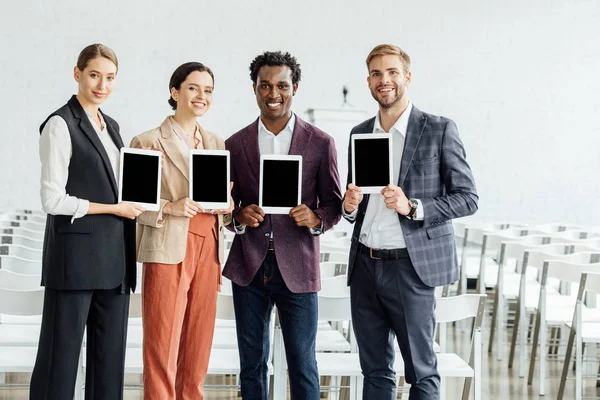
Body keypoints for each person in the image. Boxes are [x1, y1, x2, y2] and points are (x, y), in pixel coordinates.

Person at [342, 44, 478, 400]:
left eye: (391, 72)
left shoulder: (438, 129)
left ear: (407, 77)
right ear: (368, 81)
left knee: (421, 371)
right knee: (374, 372)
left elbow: (468, 198)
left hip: (411, 268)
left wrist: (412, 206)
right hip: (365, 265)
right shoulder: (360, 132)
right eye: (376, 74)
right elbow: (355, 206)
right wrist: (349, 205)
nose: (383, 80)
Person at [224, 51, 343, 400]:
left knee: (303, 364)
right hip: (249, 268)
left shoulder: (320, 143)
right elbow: (226, 207)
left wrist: (317, 218)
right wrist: (239, 218)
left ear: (295, 87)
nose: (273, 93)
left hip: (299, 267)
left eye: (281, 85)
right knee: (251, 365)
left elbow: (333, 203)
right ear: (255, 88)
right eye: (265, 85)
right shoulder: (235, 143)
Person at [30, 43, 142, 399]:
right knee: (59, 362)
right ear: (77, 74)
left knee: (109, 366)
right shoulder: (60, 124)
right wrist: (113, 209)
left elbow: (115, 186)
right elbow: (52, 199)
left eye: (110, 78)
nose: (102, 85)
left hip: (114, 260)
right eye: (94, 75)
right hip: (74, 261)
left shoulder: (112, 126)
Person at [130, 61, 233, 400]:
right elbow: (134, 203)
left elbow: (223, 206)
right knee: (163, 340)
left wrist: (228, 206)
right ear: (175, 92)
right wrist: (169, 207)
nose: (201, 96)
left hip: (210, 246)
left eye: (207, 90)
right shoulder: (146, 140)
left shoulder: (217, 142)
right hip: (169, 244)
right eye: (193, 88)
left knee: (198, 340)